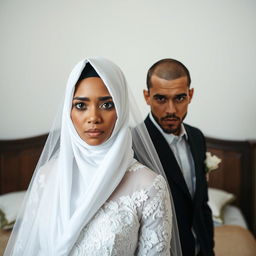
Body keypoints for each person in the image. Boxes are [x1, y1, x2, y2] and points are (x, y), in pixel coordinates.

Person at [4, 57, 179, 256]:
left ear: (121, 109)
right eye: (81, 106)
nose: (93, 117)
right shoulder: (46, 176)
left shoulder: (148, 186)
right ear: (68, 112)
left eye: (107, 105)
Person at [132, 58, 215, 256]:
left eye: (179, 98)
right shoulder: (133, 144)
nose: (171, 109)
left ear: (190, 95)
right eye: (161, 99)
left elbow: (201, 204)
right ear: (147, 96)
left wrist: (209, 248)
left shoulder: (196, 137)